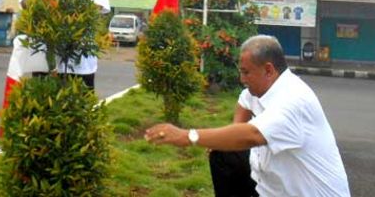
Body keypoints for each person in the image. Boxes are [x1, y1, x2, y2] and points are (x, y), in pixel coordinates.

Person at [145, 35, 350, 197]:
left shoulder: (293, 100)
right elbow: (245, 101)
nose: (241, 79)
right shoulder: (264, 88)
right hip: (274, 189)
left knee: (233, 144)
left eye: (246, 72)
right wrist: (232, 133)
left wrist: (187, 136)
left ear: (268, 70)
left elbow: (252, 135)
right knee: (224, 154)